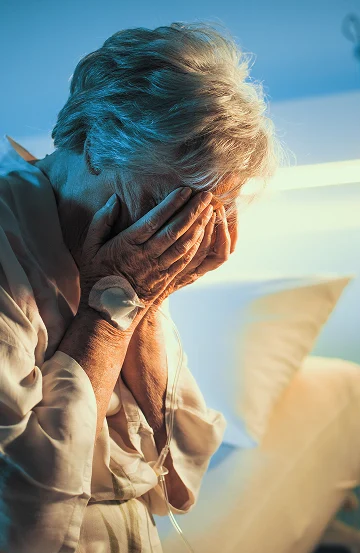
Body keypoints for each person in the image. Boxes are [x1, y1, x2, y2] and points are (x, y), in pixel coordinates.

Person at [0, 21, 278, 553]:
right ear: (87, 141)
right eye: (158, 207)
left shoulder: (133, 263)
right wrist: (111, 310)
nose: (169, 241)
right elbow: (22, 514)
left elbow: (176, 478)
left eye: (199, 216)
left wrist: (145, 301)